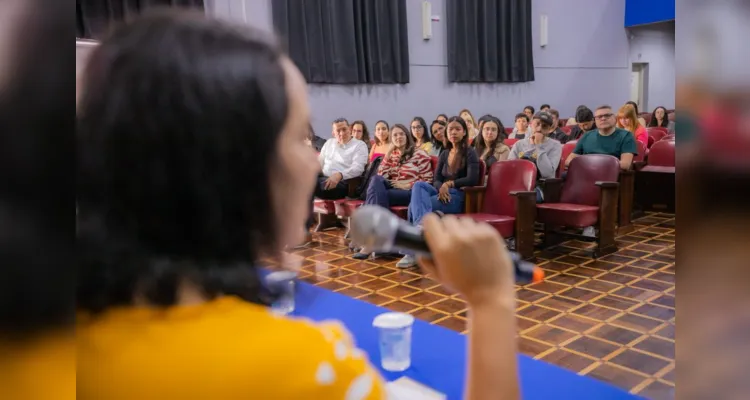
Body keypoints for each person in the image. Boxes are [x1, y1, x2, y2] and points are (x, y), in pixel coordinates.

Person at [76, 12, 521, 400]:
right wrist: (491, 302)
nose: (314, 156)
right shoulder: (301, 368)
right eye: (298, 137)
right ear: (233, 164)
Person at [398, 117, 480, 268]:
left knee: (412, 207)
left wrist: (448, 184)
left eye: (457, 129)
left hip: (457, 196)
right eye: (450, 129)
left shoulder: (470, 152)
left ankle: (412, 251)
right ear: (447, 133)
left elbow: (472, 179)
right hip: (440, 192)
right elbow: (436, 179)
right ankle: (419, 235)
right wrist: (441, 186)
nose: (453, 132)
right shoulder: (444, 153)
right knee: (419, 185)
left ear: (464, 132)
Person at [353, 124, 433, 260]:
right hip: (392, 191)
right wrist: (388, 154)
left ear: (407, 136)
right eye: (395, 135)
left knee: (375, 195)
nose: (398, 137)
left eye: (401, 134)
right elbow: (381, 174)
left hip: (410, 194)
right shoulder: (393, 154)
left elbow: (427, 180)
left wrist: (408, 184)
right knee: (376, 180)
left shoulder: (419, 153)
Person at [508, 112, 563, 202]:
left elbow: (548, 173)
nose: (539, 128)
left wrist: (539, 146)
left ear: (549, 129)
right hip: (519, 183)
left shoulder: (555, 145)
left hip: (542, 186)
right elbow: (510, 168)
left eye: (544, 126)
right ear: (531, 124)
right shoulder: (519, 144)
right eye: (537, 124)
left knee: (525, 199)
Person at [566, 105, 638, 171]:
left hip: (610, 177)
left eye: (607, 115)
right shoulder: (586, 136)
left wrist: (591, 164)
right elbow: (568, 161)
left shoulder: (626, 136)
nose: (603, 118)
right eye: (599, 117)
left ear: (615, 118)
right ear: (595, 120)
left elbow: (625, 165)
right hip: (586, 174)